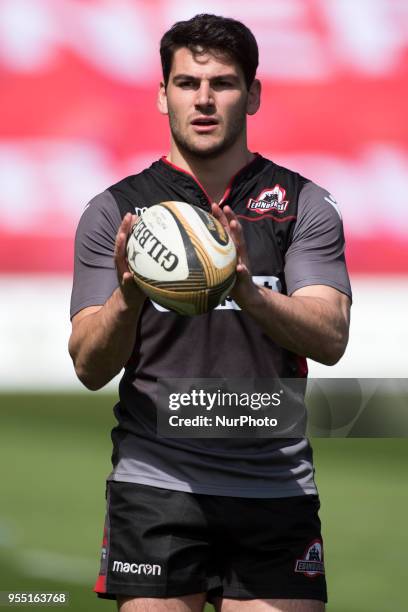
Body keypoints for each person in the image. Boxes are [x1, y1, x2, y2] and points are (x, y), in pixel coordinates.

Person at [69, 13, 351, 612]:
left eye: (222, 83)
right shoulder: (115, 211)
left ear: (252, 95)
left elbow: (330, 338)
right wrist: (129, 294)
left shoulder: (304, 205)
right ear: (161, 94)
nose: (203, 99)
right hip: (155, 486)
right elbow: (90, 366)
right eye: (186, 82)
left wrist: (249, 293)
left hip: (275, 488)